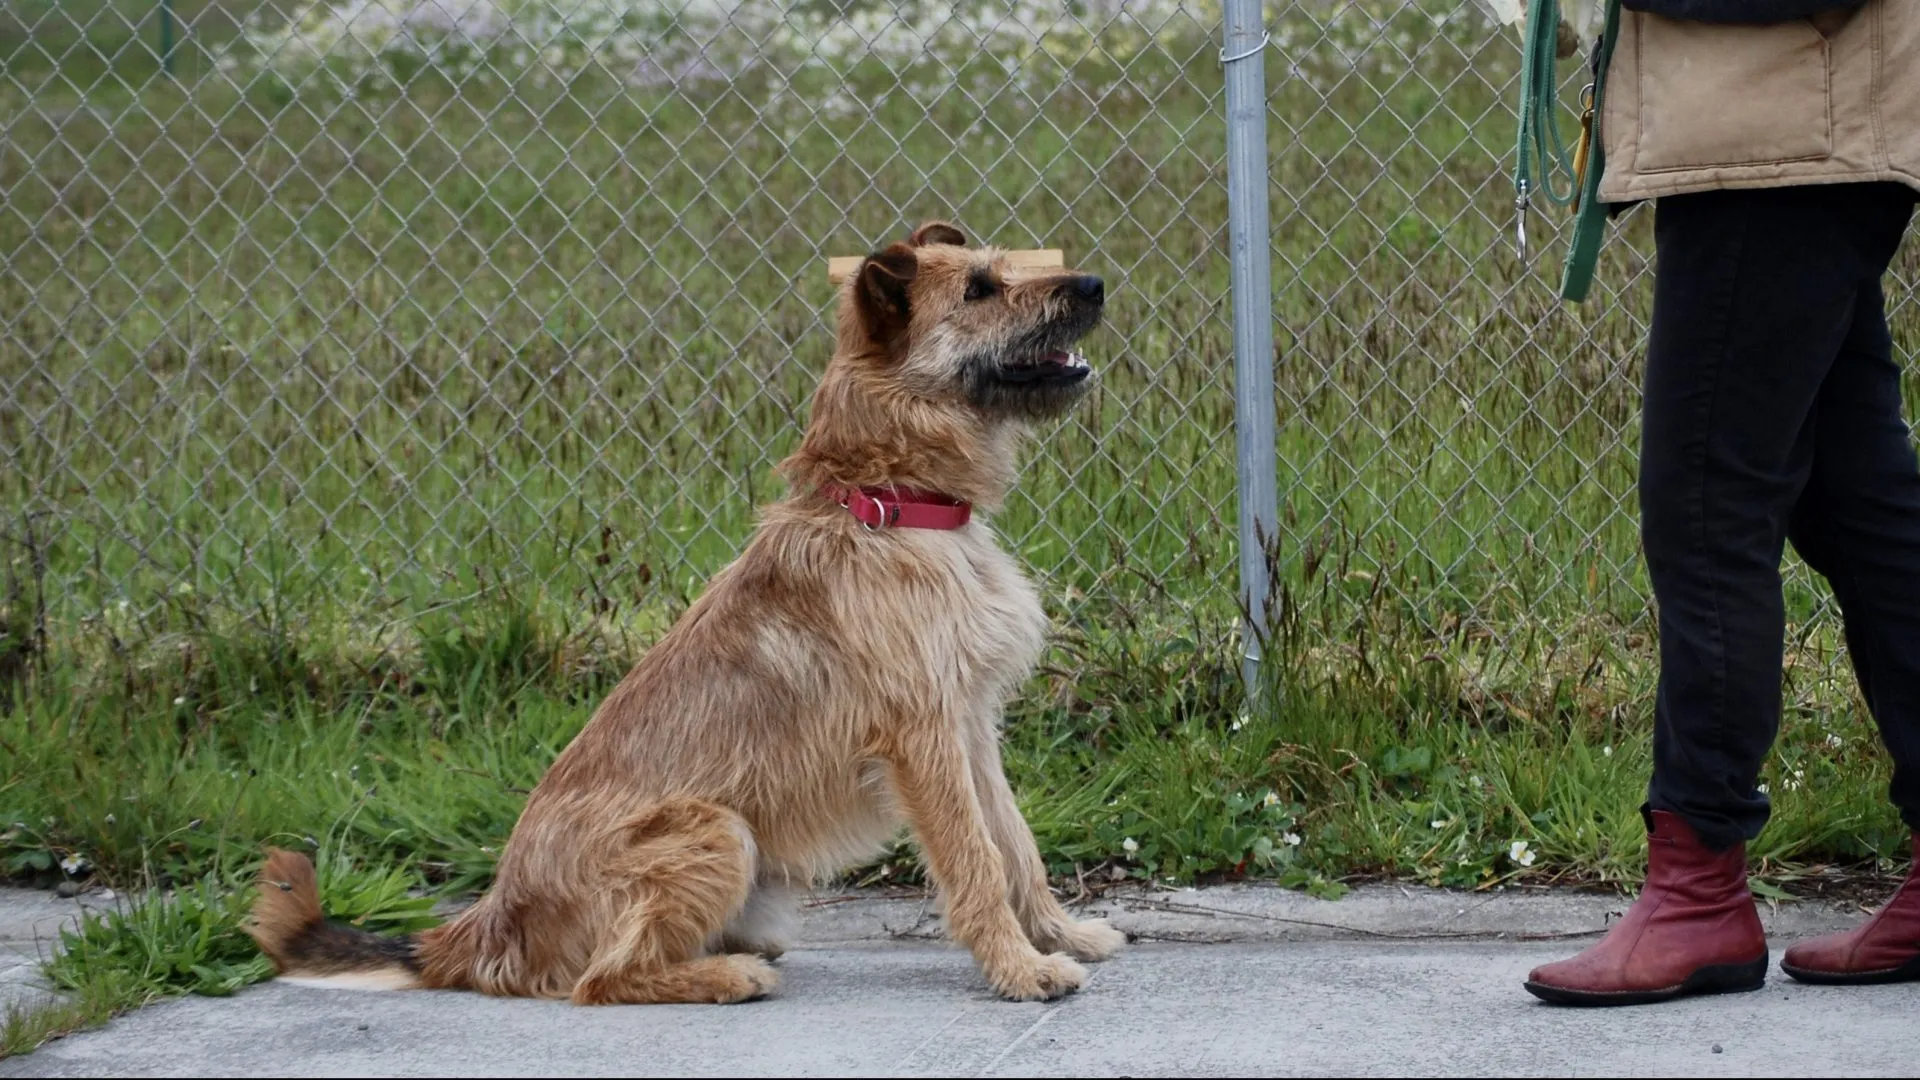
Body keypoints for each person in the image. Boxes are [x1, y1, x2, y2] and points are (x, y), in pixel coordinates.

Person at [1523, 0, 1920, 1005]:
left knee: (1706, 505)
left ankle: (1698, 890)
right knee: (1858, 506)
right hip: (1799, 128)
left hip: (1787, 141)